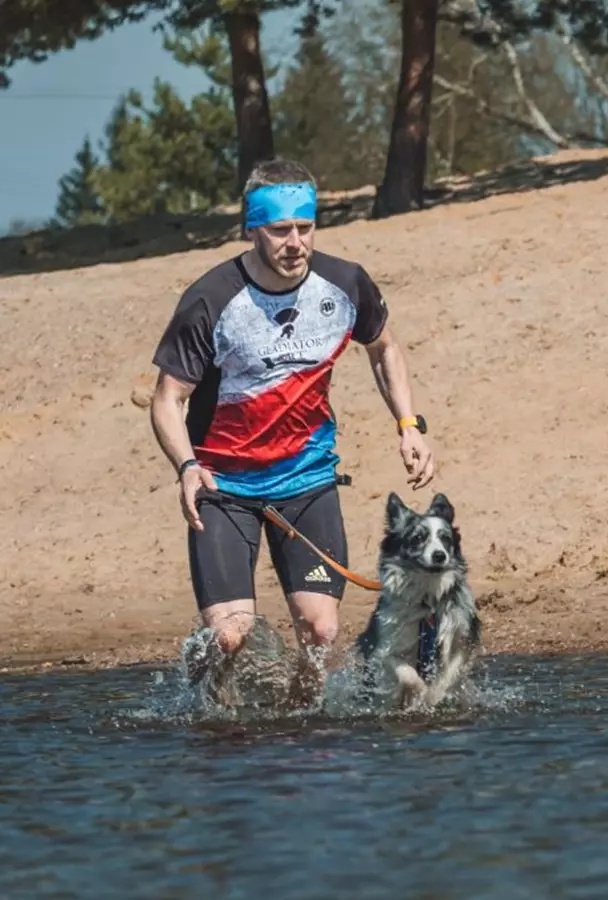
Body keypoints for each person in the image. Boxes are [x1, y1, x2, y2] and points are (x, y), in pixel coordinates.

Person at [148, 157, 435, 704]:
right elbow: (167, 400)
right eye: (280, 230)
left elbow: (384, 348)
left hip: (306, 481)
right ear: (252, 228)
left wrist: (408, 425)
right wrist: (186, 467)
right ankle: (205, 707)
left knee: (321, 633)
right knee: (229, 638)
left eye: (305, 227)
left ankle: (302, 719)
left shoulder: (345, 283)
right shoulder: (211, 299)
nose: (295, 242)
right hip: (223, 489)